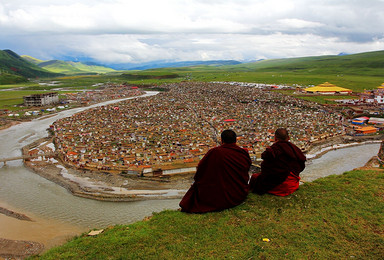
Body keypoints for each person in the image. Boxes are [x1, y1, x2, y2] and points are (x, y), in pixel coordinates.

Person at [179, 129, 252, 213]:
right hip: (239, 194)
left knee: (196, 187)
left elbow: (200, 170)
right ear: (235, 140)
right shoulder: (242, 153)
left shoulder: (215, 152)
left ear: (221, 140)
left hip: (218, 198)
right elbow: (246, 169)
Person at [249, 128, 306, 196]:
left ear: (275, 138)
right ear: (288, 138)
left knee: (254, 177)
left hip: (276, 186)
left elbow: (265, 169)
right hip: (292, 184)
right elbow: (301, 165)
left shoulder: (272, 151)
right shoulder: (295, 149)